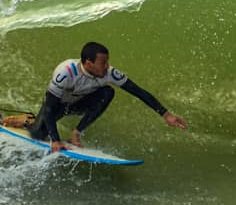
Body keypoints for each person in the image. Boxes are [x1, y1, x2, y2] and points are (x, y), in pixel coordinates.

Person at [12, 41, 187, 153]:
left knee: (108, 92)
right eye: (103, 62)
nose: (107, 66)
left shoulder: (109, 73)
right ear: (88, 63)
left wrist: (166, 114)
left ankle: (76, 133)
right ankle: (28, 121)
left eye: (107, 61)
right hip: (57, 105)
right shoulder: (66, 72)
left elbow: (138, 91)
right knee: (38, 135)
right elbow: (50, 107)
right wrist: (56, 141)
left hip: (77, 105)